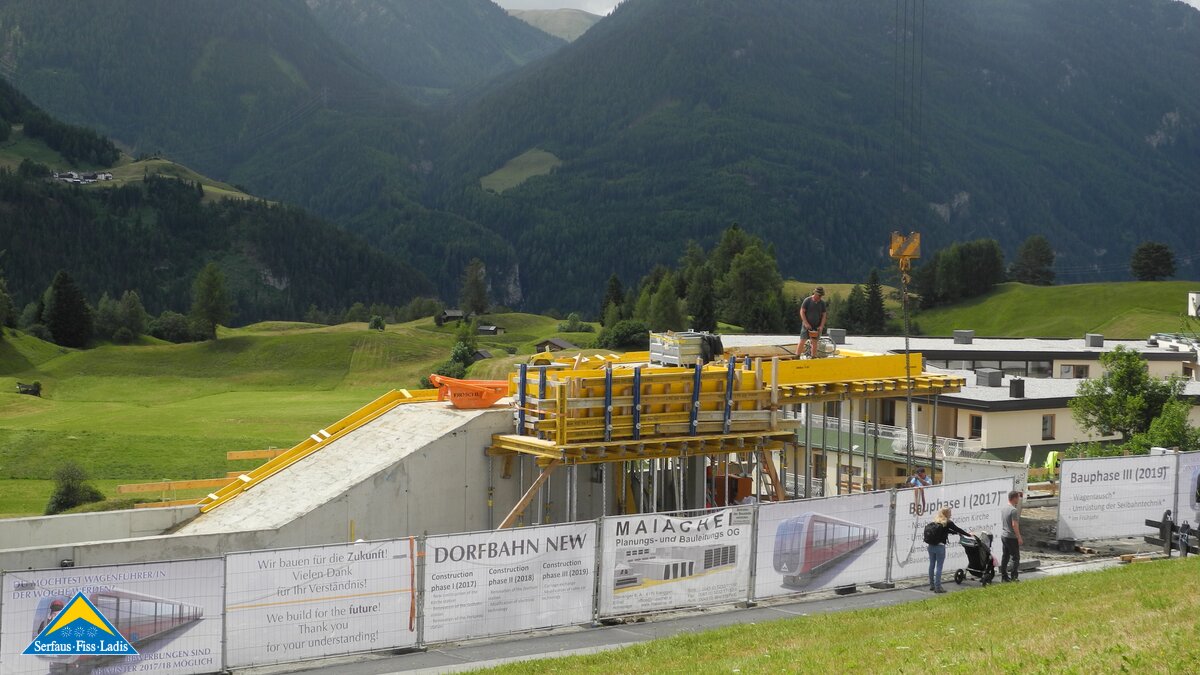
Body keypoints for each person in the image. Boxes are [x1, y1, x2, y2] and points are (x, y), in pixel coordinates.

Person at [927, 507, 971, 593]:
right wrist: (968, 535)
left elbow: (946, 531)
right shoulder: (947, 522)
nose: (951, 514)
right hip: (940, 547)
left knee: (931, 565)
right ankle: (938, 587)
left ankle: (932, 585)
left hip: (930, 546)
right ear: (946, 513)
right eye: (950, 512)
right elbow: (957, 529)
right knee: (939, 567)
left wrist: (955, 533)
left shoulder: (936, 520)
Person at [798, 286, 827, 358]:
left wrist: (821, 326)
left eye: (821, 295)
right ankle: (797, 355)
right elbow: (802, 311)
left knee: (814, 342)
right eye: (819, 295)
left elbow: (824, 315)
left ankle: (813, 357)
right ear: (815, 293)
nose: (820, 297)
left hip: (816, 326)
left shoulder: (822, 303)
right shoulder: (807, 300)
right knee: (802, 340)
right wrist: (806, 323)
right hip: (806, 325)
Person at [1000, 490, 1023, 582]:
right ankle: (1014, 577)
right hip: (1011, 537)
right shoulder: (1013, 510)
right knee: (1015, 557)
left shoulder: (1004, 508)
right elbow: (1014, 525)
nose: (1018, 499)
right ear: (1014, 498)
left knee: (1005, 556)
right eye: (1018, 497)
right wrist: (1019, 537)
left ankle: (1004, 576)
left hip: (1004, 535)